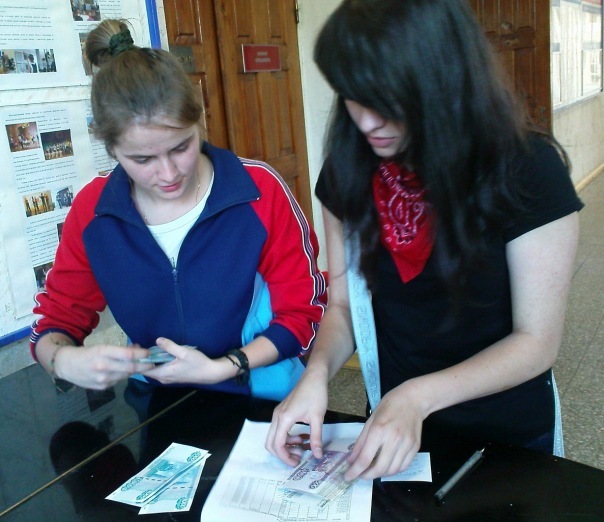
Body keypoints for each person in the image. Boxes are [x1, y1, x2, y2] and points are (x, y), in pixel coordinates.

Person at [266, 0, 582, 481]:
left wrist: (417, 396)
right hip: (391, 426)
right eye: (352, 96)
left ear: (444, 82)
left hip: (503, 433)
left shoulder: (527, 170)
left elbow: (535, 342)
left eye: (386, 101)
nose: (366, 122)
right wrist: (316, 374)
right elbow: (345, 306)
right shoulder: (349, 170)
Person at [31, 19, 326, 395]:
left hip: (259, 391)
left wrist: (226, 366)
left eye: (181, 147)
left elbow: (303, 311)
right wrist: (62, 360)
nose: (169, 174)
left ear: (198, 121)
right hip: (156, 397)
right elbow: (55, 321)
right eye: (142, 159)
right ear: (112, 150)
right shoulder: (94, 211)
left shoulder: (258, 191)